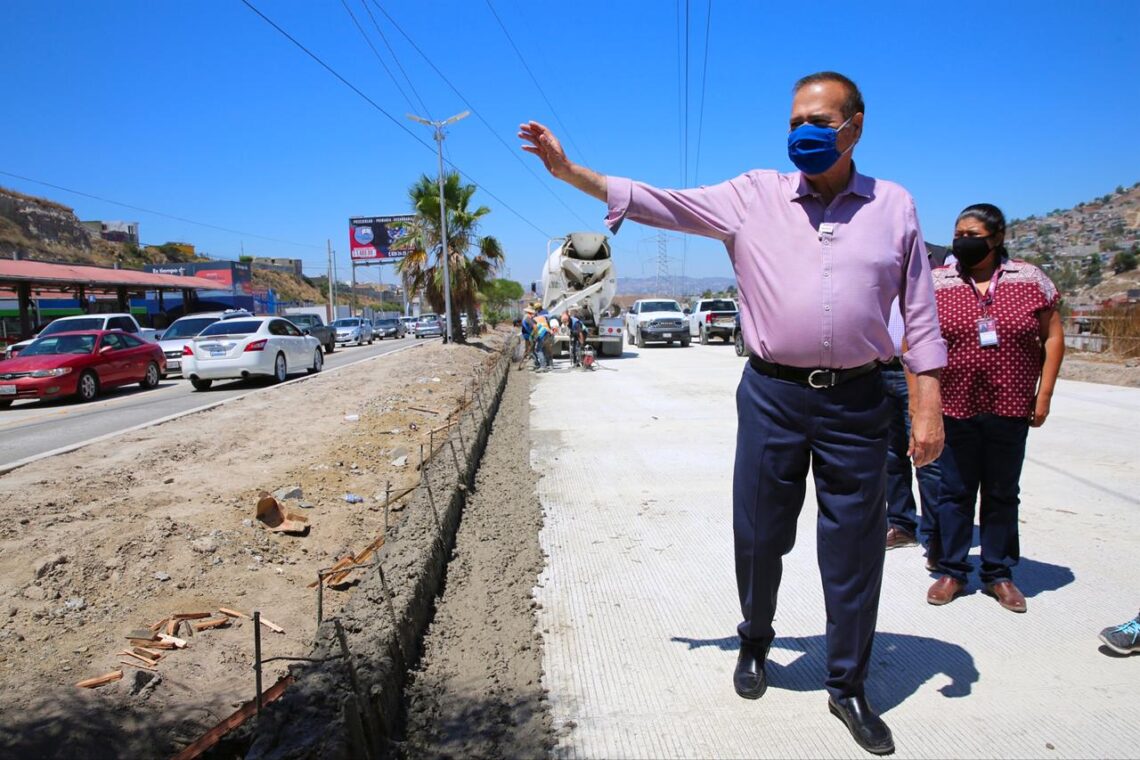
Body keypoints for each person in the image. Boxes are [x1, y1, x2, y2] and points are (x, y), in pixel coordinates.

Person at [520, 71, 946, 756]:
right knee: (758, 533)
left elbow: (921, 313)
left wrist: (928, 406)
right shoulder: (752, 196)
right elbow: (663, 203)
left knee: (855, 550)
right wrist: (571, 173)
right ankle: (755, 641)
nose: (802, 134)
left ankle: (849, 684)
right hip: (774, 396)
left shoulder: (894, 206)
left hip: (860, 401)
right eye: (794, 122)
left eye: (819, 122)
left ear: (855, 127)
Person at [925, 204, 1064, 614]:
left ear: (997, 237)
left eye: (972, 233)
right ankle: (951, 570)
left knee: (1003, 493)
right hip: (955, 404)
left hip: (1010, 403)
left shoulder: (1030, 278)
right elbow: (917, 343)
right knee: (954, 491)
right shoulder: (938, 282)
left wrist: (1045, 394)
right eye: (958, 233)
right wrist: (924, 404)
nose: (962, 240)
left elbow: (1052, 337)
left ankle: (998, 574)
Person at [884, 298, 942, 553]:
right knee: (890, 455)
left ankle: (935, 534)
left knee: (926, 454)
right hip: (878, 369)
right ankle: (901, 524)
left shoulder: (933, 265)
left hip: (920, 371)